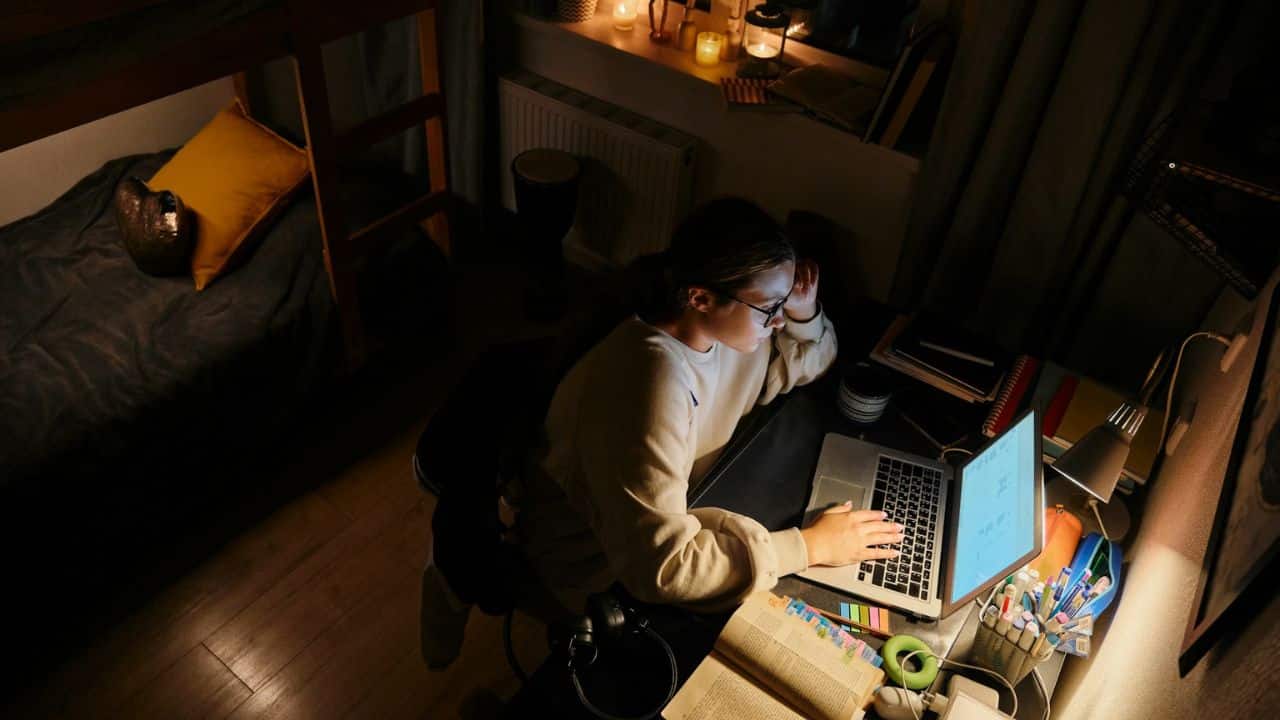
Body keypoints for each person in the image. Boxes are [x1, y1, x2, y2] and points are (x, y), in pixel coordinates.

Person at [420, 197, 904, 667]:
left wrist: (804, 308)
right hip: (585, 561)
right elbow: (663, 568)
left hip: (660, 515)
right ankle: (451, 578)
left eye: (782, 305)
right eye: (769, 307)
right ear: (700, 297)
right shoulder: (647, 385)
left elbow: (811, 362)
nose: (778, 321)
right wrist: (808, 547)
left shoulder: (729, 332)